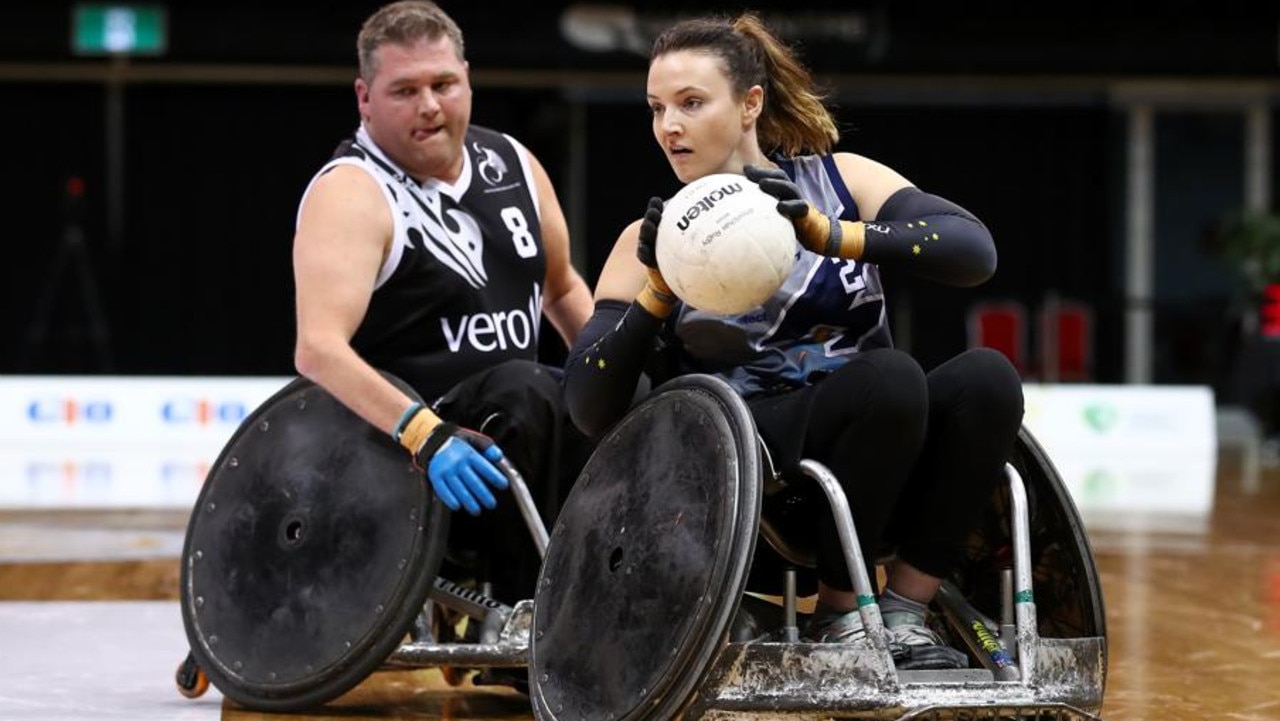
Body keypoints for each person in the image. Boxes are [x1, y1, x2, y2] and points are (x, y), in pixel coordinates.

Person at [562, 13, 1024, 671]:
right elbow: (587, 403)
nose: (669, 125)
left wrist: (835, 234)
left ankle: (905, 612)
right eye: (657, 107)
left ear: (750, 104)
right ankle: (840, 614)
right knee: (890, 377)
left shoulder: (843, 182)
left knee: (989, 377)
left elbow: (975, 251)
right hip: (756, 472)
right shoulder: (647, 237)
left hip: (886, 445)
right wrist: (657, 293)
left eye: (691, 103)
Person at [292, 1, 594, 611]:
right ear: (365, 98)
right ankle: (530, 622)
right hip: (403, 449)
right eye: (405, 90)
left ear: (467, 81)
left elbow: (560, 290)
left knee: (597, 396)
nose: (429, 105)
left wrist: (613, 384)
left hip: (517, 429)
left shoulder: (513, 162)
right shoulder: (352, 191)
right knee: (527, 390)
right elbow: (318, 349)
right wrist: (423, 434)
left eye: (443, 85)